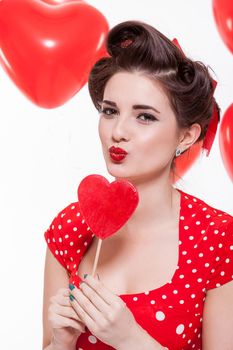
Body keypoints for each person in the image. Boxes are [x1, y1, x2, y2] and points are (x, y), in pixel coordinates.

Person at [42, 20, 233, 350]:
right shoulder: (70, 228)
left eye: (144, 116)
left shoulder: (216, 237)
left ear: (186, 135)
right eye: (110, 111)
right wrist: (60, 342)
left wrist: (129, 338)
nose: (118, 131)